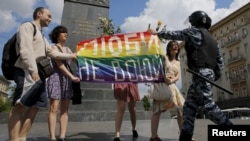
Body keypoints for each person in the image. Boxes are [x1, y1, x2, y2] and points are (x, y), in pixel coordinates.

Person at [148, 10, 233, 141]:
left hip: (201, 74)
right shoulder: (212, 40)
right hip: (204, 75)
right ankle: (185, 137)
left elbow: (177, 34)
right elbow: (220, 64)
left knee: (208, 107)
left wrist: (158, 33)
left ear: (195, 21)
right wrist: (211, 76)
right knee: (189, 107)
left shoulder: (195, 32)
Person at [8, 7, 77, 141]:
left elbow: (52, 53)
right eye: (49, 16)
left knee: (36, 107)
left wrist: (71, 55)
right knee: (19, 106)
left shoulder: (42, 36)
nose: (51, 19)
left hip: (40, 75)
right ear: (39, 14)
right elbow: (26, 49)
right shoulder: (27, 26)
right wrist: (33, 71)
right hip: (26, 70)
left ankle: (22, 137)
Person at [46, 25, 80, 141]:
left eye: (66, 32)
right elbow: (59, 64)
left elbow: (78, 60)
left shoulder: (68, 50)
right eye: (63, 32)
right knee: (54, 108)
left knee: (65, 109)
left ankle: (62, 136)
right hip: (56, 77)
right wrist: (71, 76)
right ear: (57, 35)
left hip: (67, 80)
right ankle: (52, 137)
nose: (66, 34)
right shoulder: (53, 47)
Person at [150, 41, 185, 141]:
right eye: (173, 46)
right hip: (163, 87)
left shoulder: (179, 62)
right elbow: (156, 68)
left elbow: (178, 76)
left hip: (173, 87)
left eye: (177, 46)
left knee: (181, 109)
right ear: (169, 48)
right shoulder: (164, 57)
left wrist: (172, 80)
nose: (175, 47)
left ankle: (183, 135)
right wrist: (164, 78)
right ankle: (153, 137)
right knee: (157, 111)